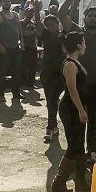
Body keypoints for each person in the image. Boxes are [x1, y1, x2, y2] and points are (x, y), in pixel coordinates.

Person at [59, 0, 96, 163]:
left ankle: (93, 152)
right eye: (90, 15)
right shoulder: (76, 32)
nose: (93, 18)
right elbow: (61, 13)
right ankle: (76, 153)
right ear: (84, 18)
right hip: (79, 87)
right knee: (79, 122)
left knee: (94, 122)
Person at [50, 32, 90, 192]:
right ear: (79, 45)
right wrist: (81, 109)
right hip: (71, 108)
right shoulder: (70, 64)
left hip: (76, 107)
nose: (85, 46)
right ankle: (58, 183)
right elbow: (72, 90)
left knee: (80, 145)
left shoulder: (75, 62)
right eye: (84, 43)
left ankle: (81, 180)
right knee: (74, 146)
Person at [37, 13, 64, 142]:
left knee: (55, 100)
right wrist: (37, 12)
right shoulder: (45, 35)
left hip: (61, 73)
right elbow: (38, 26)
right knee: (50, 101)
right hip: (47, 72)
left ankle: (51, 127)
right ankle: (52, 126)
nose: (50, 27)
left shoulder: (64, 36)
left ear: (57, 24)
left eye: (52, 24)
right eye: (47, 25)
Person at [0, 0, 24, 102]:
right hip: (4, 49)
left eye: (8, 1)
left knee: (17, 72)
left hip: (15, 48)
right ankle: (1, 94)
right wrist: (0, 46)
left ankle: (16, 93)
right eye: (5, 1)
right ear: (2, 3)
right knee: (2, 72)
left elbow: (19, 30)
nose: (7, 3)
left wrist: (22, 41)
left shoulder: (15, 15)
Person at [20, 5, 39, 88]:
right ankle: (23, 83)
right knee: (24, 66)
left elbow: (38, 33)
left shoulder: (34, 22)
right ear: (25, 12)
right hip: (25, 46)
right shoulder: (22, 22)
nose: (30, 13)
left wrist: (34, 31)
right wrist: (35, 31)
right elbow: (25, 33)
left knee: (33, 66)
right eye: (29, 11)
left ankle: (30, 83)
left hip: (33, 47)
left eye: (32, 11)